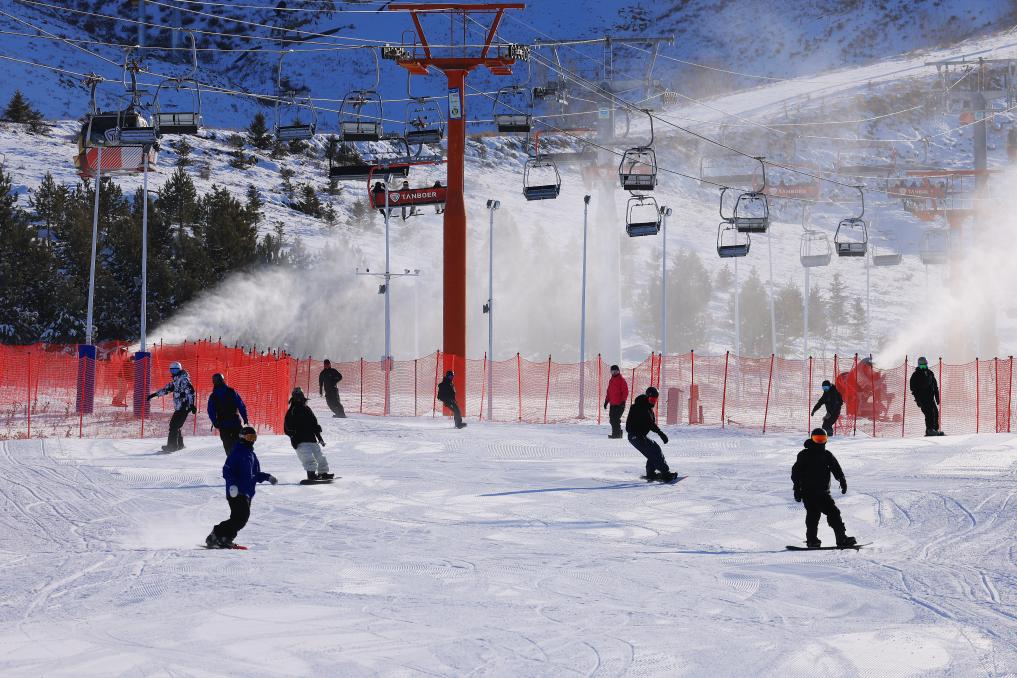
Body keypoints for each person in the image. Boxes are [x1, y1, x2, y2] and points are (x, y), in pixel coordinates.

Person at [205, 426, 277, 549]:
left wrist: (268, 477)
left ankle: (225, 538)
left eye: (254, 438)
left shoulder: (252, 455)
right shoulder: (237, 453)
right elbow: (227, 470)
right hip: (236, 492)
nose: (252, 440)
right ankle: (216, 534)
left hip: (247, 493)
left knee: (239, 519)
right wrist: (233, 485)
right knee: (241, 517)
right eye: (249, 437)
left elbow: (255, 474)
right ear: (242, 437)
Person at [791, 428, 857, 548]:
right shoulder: (804, 455)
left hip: (823, 493)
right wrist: (796, 489)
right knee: (813, 515)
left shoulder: (827, 455)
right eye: (817, 439)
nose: (820, 442)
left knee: (834, 513)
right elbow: (796, 472)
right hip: (808, 493)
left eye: (822, 439)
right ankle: (812, 540)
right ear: (812, 439)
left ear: (826, 440)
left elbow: (836, 468)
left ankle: (841, 538)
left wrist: (842, 480)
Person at [625, 386, 675, 482]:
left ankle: (651, 474)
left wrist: (660, 433)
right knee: (653, 452)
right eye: (651, 399)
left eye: (655, 400)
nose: (653, 402)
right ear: (647, 397)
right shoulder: (640, 407)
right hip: (635, 436)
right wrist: (660, 433)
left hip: (639, 436)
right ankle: (665, 473)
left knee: (655, 448)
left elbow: (650, 423)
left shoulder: (647, 408)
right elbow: (650, 423)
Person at [283, 387, 333, 481]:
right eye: (297, 396)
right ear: (293, 397)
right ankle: (311, 475)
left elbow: (314, 424)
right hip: (300, 440)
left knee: (320, 457)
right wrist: (293, 437)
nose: (299, 398)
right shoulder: (292, 410)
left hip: (311, 439)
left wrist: (320, 438)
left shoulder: (307, 409)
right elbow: (287, 427)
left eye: (300, 395)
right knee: (308, 458)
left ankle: (323, 473)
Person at [147, 361, 196, 452]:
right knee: (176, 425)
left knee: (174, 425)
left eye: (175, 370)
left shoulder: (183, 379)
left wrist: (192, 405)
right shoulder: (176, 380)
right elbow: (167, 389)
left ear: (179, 369)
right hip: (180, 407)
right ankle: (180, 445)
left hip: (184, 406)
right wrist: (154, 395)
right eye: (172, 370)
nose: (173, 372)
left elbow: (190, 392)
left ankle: (172, 446)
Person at [207, 373, 250, 454]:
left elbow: (211, 411)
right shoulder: (231, 392)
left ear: (214, 382)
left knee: (228, 447)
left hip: (223, 425)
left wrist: (215, 421)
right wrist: (245, 418)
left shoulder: (213, 396)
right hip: (235, 423)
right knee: (240, 443)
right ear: (223, 380)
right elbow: (240, 405)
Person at [910, 356, 943, 436]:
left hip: (931, 398)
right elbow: (913, 389)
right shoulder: (916, 375)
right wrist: (918, 400)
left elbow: (935, 386)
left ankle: (935, 430)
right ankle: (929, 430)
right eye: (922, 366)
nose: (923, 367)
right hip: (923, 399)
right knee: (929, 413)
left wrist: (937, 397)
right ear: (918, 365)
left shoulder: (930, 373)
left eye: (925, 365)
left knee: (935, 413)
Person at [603, 364, 629, 439]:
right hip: (612, 404)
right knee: (612, 420)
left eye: (616, 371)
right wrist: (606, 401)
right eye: (612, 372)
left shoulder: (621, 380)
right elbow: (609, 392)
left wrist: (623, 401)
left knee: (615, 419)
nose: (614, 373)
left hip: (619, 404)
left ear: (618, 371)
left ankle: (616, 434)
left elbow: (625, 392)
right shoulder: (611, 380)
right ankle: (618, 433)